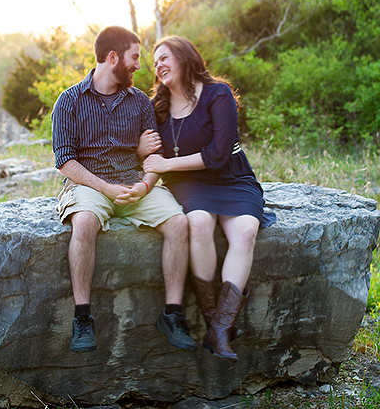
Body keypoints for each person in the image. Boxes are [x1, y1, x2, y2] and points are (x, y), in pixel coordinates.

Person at [51, 25, 194, 354]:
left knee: (179, 222)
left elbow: (155, 156)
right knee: (84, 223)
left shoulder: (140, 101)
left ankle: (172, 314)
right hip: (90, 183)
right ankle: (82, 318)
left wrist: (145, 185)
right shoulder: (69, 101)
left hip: (134, 183)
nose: (139, 66)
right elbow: (65, 161)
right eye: (134, 58)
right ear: (113, 57)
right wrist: (107, 189)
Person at [141, 35, 275, 361]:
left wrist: (166, 164)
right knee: (199, 223)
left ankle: (218, 330)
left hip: (232, 178)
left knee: (246, 231)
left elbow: (217, 154)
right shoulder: (156, 107)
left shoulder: (218, 94)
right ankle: (217, 324)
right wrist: (141, 151)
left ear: (184, 56)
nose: (158, 65)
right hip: (188, 183)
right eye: (155, 62)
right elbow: (146, 155)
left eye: (164, 57)